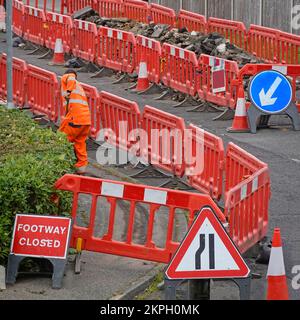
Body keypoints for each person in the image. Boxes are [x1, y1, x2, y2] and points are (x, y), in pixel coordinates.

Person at [59, 69, 91, 175]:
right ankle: (82, 168)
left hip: (75, 119)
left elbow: (70, 76)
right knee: (79, 143)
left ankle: (58, 164)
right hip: (85, 120)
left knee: (60, 141)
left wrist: (68, 91)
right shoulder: (79, 88)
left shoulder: (67, 77)